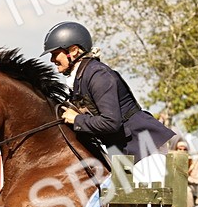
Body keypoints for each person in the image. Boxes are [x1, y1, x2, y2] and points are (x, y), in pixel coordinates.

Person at [43, 21, 176, 182]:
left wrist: (77, 119)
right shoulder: (81, 77)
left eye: (55, 53)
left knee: (149, 206)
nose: (52, 59)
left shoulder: (97, 75)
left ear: (73, 50)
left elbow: (111, 122)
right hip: (123, 149)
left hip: (144, 146)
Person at [175, 139, 198, 207]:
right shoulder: (171, 160)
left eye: (185, 149)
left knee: (187, 191)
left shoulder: (194, 161)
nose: (182, 151)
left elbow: (195, 180)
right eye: (179, 149)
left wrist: (184, 176)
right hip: (174, 185)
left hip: (189, 185)